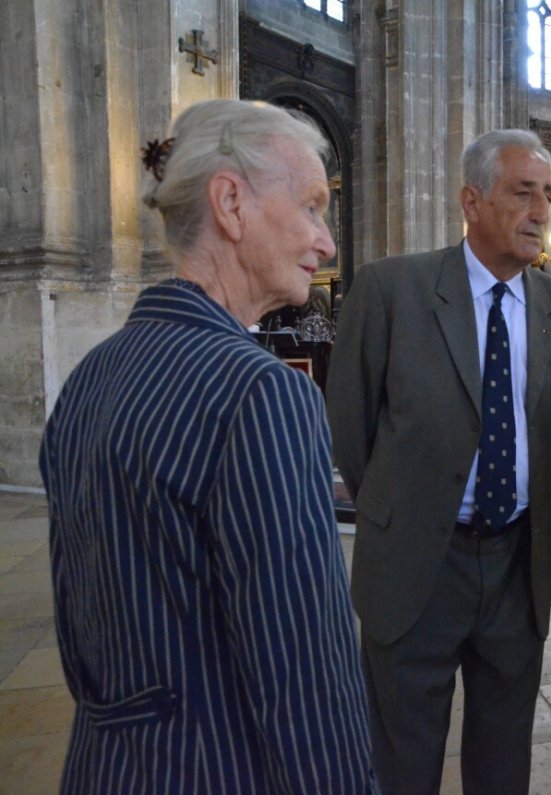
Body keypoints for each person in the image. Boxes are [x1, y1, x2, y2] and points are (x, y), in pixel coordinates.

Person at [39, 99, 375, 792]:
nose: (328, 242)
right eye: (313, 206)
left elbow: (83, 637)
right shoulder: (261, 394)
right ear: (230, 203)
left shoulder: (89, 377)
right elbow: (306, 678)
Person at [326, 129, 551, 794]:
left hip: (515, 565)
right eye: (522, 192)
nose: (541, 211)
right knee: (403, 761)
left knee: (505, 761)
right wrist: (406, 505)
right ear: (471, 201)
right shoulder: (391, 291)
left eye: (549, 196)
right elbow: (351, 428)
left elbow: (546, 428)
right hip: (417, 562)